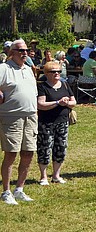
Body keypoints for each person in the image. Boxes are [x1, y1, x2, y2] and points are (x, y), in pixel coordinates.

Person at [1, 40, 39, 205]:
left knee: (28, 153)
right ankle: (6, 191)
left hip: (31, 116)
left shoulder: (29, 70)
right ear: (12, 52)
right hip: (11, 117)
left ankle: (19, 189)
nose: (25, 53)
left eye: (26, 50)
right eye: (21, 50)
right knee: (11, 154)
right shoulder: (4, 68)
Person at [36, 61, 76, 185]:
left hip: (63, 122)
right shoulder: (42, 87)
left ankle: (56, 175)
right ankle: (43, 177)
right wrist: (57, 103)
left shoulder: (64, 85)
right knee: (45, 148)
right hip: (46, 123)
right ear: (46, 73)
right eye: (53, 72)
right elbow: (40, 104)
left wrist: (67, 103)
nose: (57, 73)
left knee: (61, 148)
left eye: (58, 71)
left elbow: (73, 102)